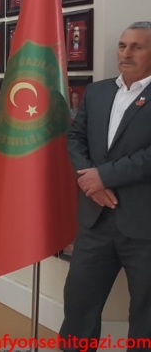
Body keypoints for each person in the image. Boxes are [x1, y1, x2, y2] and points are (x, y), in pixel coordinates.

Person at [60, 22, 151, 351]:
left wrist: (105, 177)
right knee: (79, 303)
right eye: (123, 45)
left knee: (146, 313)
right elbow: (75, 138)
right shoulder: (97, 92)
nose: (126, 53)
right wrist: (91, 182)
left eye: (137, 47)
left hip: (144, 224)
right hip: (95, 220)